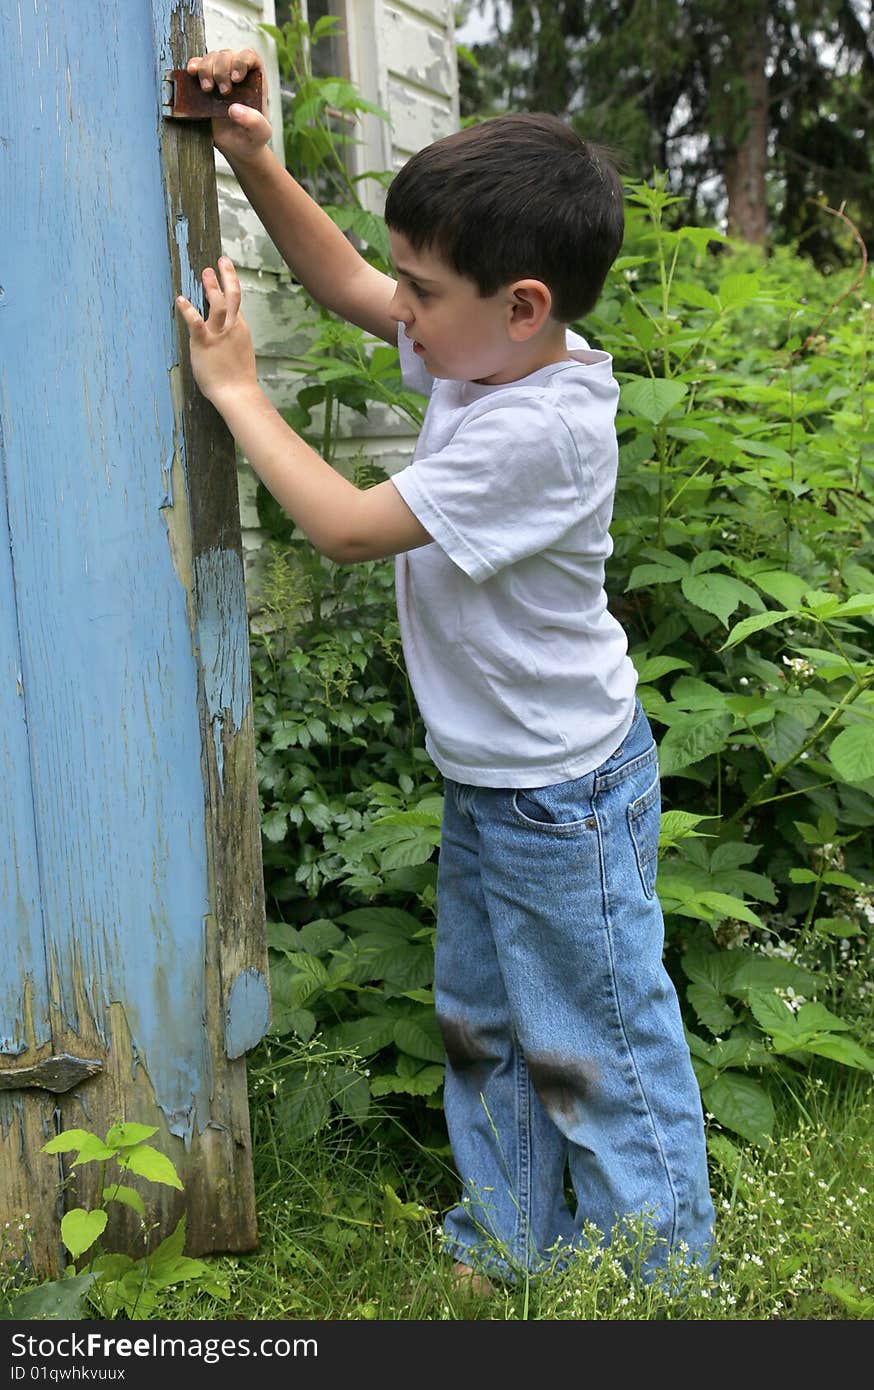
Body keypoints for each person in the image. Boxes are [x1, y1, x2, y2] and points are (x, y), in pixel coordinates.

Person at [176, 47, 716, 1288]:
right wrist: (254, 157)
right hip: (495, 778)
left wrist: (238, 392)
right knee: (483, 1022)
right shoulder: (482, 352)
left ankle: (664, 1279)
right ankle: (512, 1240)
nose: (398, 310)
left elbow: (350, 528)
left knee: (598, 1042)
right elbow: (353, 278)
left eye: (422, 291)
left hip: (562, 793)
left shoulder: (542, 425)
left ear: (521, 304)